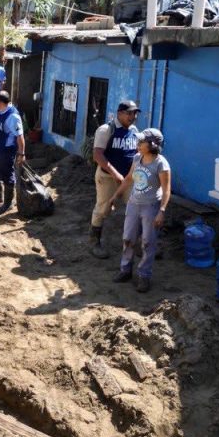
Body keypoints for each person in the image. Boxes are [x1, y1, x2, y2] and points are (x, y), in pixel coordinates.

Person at [107, 129, 171, 294]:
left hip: (151, 207)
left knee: (148, 243)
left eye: (141, 142)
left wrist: (161, 211)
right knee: (128, 238)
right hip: (133, 204)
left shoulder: (161, 164)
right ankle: (125, 270)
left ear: (153, 145)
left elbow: (166, 190)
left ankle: (144, 275)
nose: (138, 144)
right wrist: (116, 195)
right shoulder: (137, 158)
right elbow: (129, 178)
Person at [89, 101, 141, 258]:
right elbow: (97, 155)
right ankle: (94, 242)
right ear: (119, 113)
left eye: (135, 113)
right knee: (103, 208)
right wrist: (115, 174)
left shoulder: (134, 130)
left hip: (129, 178)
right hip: (107, 177)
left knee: (135, 208)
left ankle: (136, 242)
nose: (133, 116)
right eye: (129, 113)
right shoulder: (106, 130)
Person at [0, 90, 25, 218]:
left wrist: (21, 153)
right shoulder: (2, 112)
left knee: (7, 176)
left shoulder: (13, 116)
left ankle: (8, 203)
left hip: (6, 152)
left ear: (0, 102)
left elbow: (20, 136)